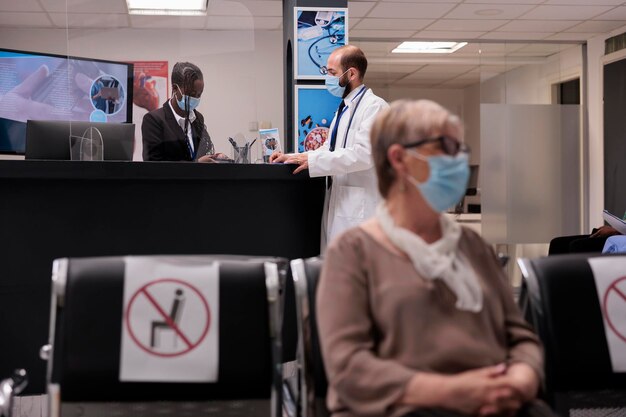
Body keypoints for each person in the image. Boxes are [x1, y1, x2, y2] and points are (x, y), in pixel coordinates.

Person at [317, 99, 552, 417]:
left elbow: (520, 336)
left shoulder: (471, 246)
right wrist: (454, 392)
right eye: (446, 147)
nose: (459, 161)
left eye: (460, 148)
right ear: (399, 158)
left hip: (498, 402)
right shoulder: (353, 252)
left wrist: (519, 381)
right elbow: (349, 368)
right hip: (405, 409)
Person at [270, 45, 388, 247]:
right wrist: (294, 156)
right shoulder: (345, 108)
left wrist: (312, 160)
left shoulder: (375, 107)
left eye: (332, 73)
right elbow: (329, 147)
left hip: (361, 210)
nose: (328, 78)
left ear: (351, 74)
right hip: (341, 204)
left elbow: (364, 155)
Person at [142, 62, 224, 162]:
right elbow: (153, 165)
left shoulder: (198, 118)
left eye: (199, 94)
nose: (196, 98)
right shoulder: (154, 120)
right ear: (175, 89)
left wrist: (214, 157)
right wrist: (196, 164)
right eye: (191, 94)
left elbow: (202, 152)